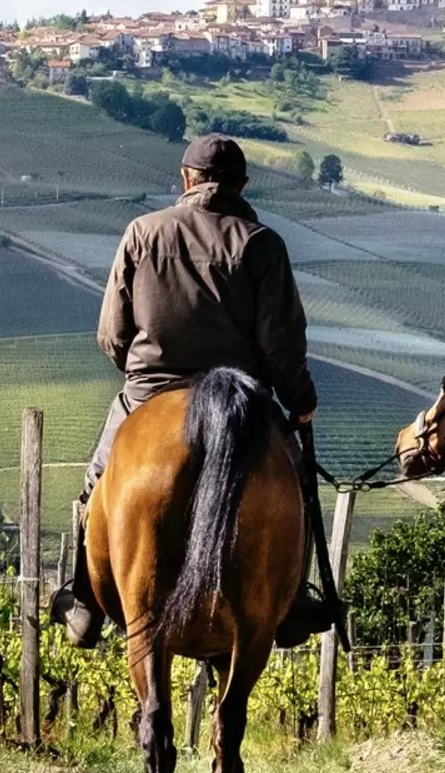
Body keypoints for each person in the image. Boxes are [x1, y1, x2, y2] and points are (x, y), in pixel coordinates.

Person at [51, 134, 321, 646]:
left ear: (185, 178)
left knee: (97, 485)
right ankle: (291, 602)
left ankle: (84, 600)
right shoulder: (262, 243)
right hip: (242, 403)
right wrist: (301, 401)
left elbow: (111, 334)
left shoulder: (141, 233)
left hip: (149, 391)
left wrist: (139, 377)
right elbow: (282, 345)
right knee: (297, 490)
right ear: (241, 185)